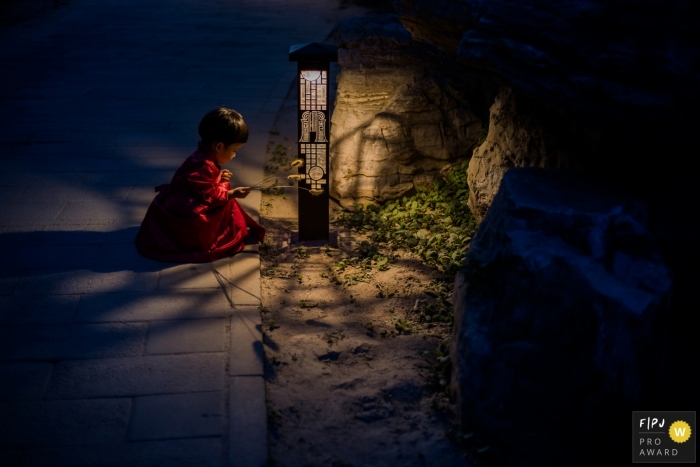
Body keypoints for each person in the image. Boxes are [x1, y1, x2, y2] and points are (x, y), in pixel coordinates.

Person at [135, 108, 265, 262]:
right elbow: (210, 195)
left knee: (224, 188)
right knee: (227, 198)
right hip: (186, 210)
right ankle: (220, 234)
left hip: (180, 198)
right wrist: (234, 193)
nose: (235, 155)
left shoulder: (200, 156)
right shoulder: (204, 165)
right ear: (219, 147)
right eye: (235, 150)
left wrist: (218, 176)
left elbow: (199, 184)